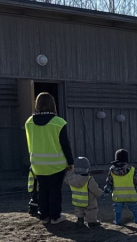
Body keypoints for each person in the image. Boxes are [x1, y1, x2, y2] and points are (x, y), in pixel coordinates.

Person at [25, 92, 74, 224]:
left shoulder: (29, 122)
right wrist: (70, 162)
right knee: (55, 191)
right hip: (56, 164)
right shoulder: (59, 122)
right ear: (53, 104)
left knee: (43, 190)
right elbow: (65, 144)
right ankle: (55, 216)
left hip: (37, 164)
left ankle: (44, 216)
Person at [106, 149, 137, 225]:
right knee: (134, 207)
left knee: (117, 208)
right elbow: (136, 181)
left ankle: (117, 220)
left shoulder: (112, 170)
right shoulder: (131, 169)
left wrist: (107, 189)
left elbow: (109, 182)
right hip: (130, 194)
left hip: (118, 195)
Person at [66, 157, 102, 228]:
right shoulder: (89, 179)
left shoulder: (70, 178)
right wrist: (101, 193)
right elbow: (95, 189)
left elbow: (66, 179)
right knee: (91, 210)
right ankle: (91, 222)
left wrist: (69, 171)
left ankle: (80, 220)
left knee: (79, 209)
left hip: (77, 199)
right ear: (87, 168)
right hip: (89, 200)